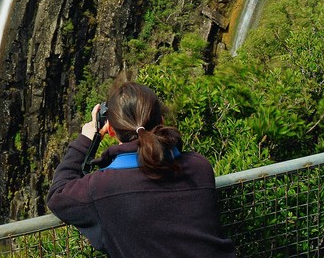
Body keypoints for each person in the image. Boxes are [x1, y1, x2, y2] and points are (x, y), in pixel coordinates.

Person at [47, 81, 236, 257]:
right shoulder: (199, 167)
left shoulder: (101, 187)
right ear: (161, 120)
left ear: (111, 130)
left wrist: (87, 139)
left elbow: (58, 195)